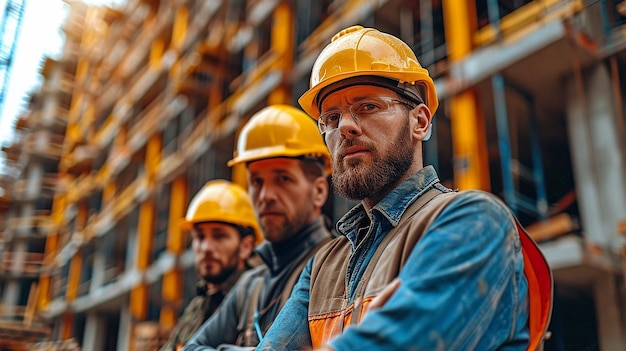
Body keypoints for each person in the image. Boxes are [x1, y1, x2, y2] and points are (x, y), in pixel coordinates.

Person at [256, 25, 553, 351]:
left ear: (420, 122)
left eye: (367, 106)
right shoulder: (322, 267)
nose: (345, 128)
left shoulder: (475, 221)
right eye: (331, 118)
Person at [183, 104, 335, 350]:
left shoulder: (336, 269)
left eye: (283, 179)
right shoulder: (251, 285)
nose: (265, 196)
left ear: (318, 192)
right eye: (257, 182)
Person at [160, 180, 262, 351]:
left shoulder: (260, 299)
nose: (206, 248)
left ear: (246, 246)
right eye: (200, 237)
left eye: (219, 236)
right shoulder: (197, 306)